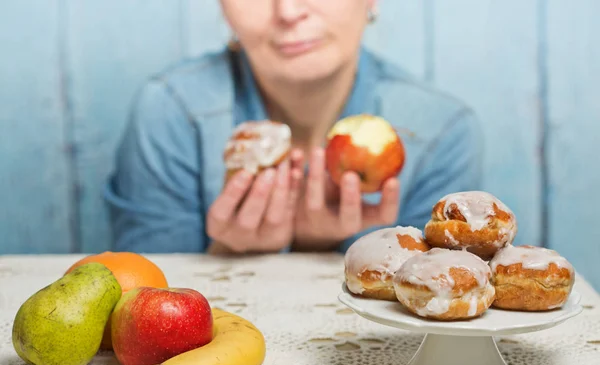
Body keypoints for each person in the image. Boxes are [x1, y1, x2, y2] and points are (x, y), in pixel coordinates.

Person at [105, 0, 483, 255]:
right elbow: (144, 300)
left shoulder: (440, 131)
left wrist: (316, 248)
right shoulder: (171, 111)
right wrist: (230, 254)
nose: (287, 11)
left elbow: (440, 311)